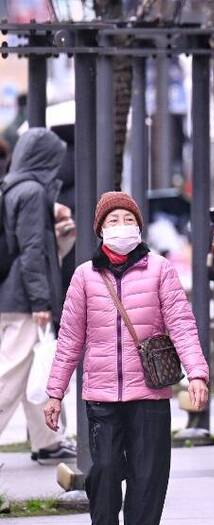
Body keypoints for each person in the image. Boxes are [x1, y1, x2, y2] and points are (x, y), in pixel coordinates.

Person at [43, 192, 210, 525]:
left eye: (128, 219)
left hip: (149, 391)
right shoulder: (85, 276)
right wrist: (55, 393)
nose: (122, 227)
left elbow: (182, 325)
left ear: (139, 225)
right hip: (101, 393)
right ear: (100, 229)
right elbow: (70, 339)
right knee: (103, 470)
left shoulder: (160, 270)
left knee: (148, 474)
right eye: (113, 220)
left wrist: (197, 373)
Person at [0, 128, 76, 465]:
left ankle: (48, 442)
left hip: (11, 293)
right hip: (23, 299)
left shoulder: (11, 186)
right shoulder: (32, 192)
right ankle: (49, 443)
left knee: (37, 369)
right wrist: (41, 302)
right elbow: (32, 250)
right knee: (10, 376)